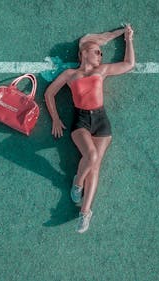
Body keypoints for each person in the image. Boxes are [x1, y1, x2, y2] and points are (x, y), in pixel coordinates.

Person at [44, 25, 135, 233]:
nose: (101, 55)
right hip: (81, 121)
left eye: (102, 53)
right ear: (84, 53)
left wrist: (127, 38)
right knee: (91, 156)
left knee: (95, 166)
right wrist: (56, 119)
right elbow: (50, 94)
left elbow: (129, 64)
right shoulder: (70, 74)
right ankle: (78, 181)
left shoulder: (101, 71)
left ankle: (85, 212)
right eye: (97, 51)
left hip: (101, 120)